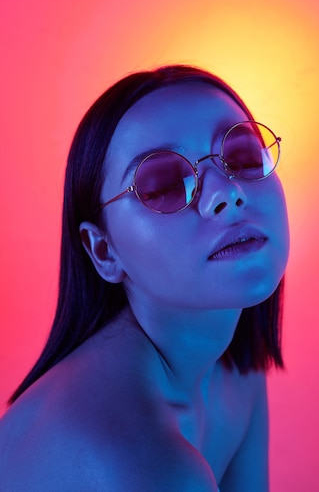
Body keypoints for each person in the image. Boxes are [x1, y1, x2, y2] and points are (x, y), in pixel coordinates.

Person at [0, 65, 289, 491]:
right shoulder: (147, 466)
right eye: (161, 186)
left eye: (243, 156)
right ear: (104, 250)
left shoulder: (235, 376)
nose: (225, 192)